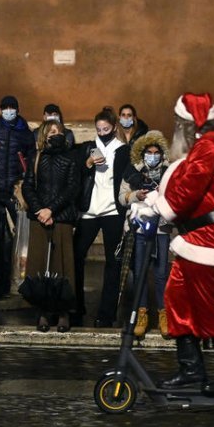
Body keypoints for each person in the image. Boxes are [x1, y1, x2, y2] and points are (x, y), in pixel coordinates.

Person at [135, 92, 214, 395]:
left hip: (208, 240)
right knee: (177, 296)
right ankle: (191, 369)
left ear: (190, 122)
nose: (176, 127)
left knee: (208, 307)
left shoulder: (210, 146)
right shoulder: (207, 144)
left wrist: (160, 205)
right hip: (195, 238)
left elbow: (187, 191)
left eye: (178, 121)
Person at [73, 107, 129, 327]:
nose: (102, 132)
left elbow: (126, 178)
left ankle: (106, 314)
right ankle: (76, 307)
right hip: (89, 211)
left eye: (106, 129)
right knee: (77, 256)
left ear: (114, 128)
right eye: (99, 129)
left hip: (113, 212)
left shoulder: (123, 150)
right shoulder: (88, 148)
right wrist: (86, 165)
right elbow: (77, 174)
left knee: (113, 262)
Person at [22, 120, 80, 332]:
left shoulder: (71, 157)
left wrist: (51, 210)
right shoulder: (36, 157)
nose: (56, 134)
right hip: (40, 218)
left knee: (62, 265)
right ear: (44, 135)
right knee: (39, 265)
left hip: (61, 218)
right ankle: (43, 312)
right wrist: (40, 210)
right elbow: (28, 186)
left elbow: (73, 188)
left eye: (59, 131)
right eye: (52, 131)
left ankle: (64, 312)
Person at [0, 96, 36, 298]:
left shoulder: (25, 133)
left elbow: (32, 159)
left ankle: (15, 279)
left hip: (14, 191)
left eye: (12, 108)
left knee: (16, 239)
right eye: (5, 107)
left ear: (18, 110)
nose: (9, 111)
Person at [118, 130, 172, 338]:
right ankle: (141, 314)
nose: (152, 155)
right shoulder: (132, 172)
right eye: (148, 152)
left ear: (161, 153)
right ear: (142, 153)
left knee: (160, 275)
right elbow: (122, 197)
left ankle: (163, 314)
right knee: (140, 273)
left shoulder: (169, 173)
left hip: (161, 228)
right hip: (140, 227)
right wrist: (135, 195)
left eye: (155, 152)